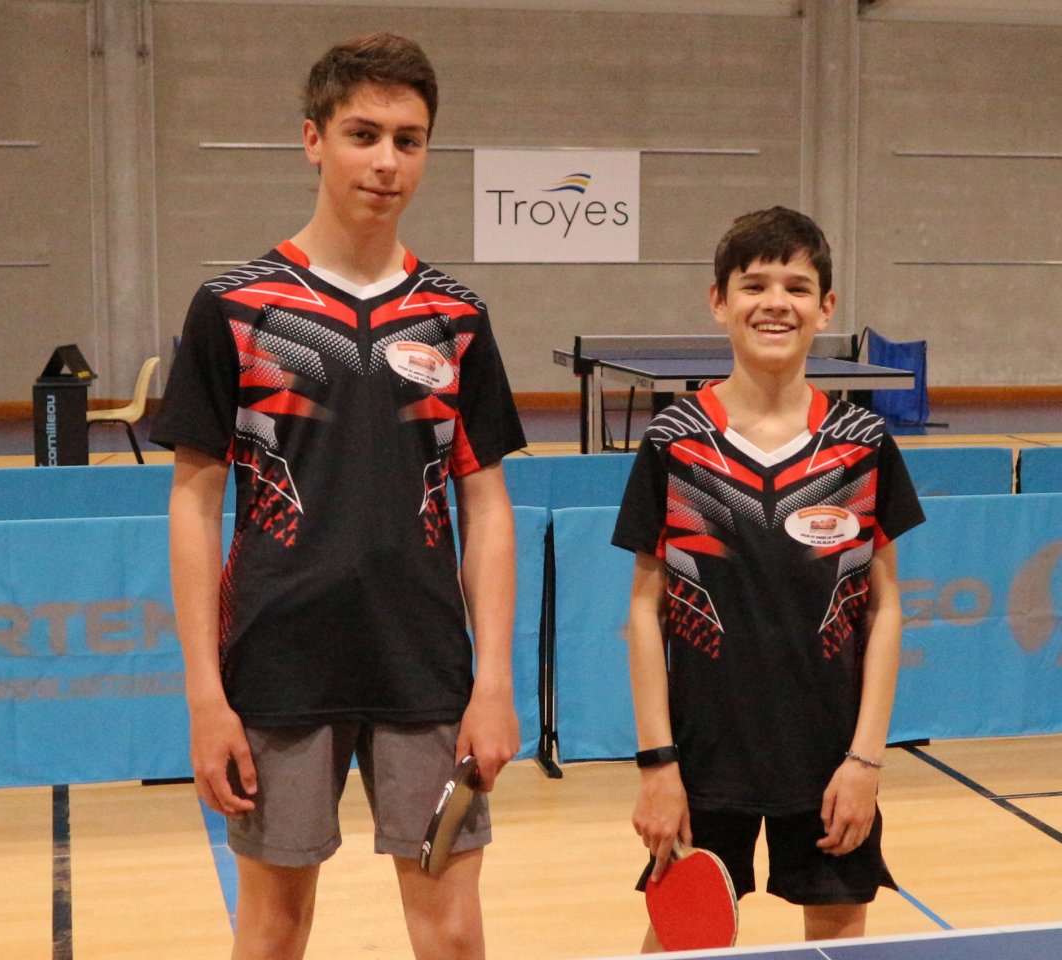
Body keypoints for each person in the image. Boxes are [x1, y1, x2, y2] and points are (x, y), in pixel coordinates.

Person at [151, 33, 525, 960]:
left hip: (426, 671)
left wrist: (493, 683)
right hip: (277, 668)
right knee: (274, 933)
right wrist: (205, 697)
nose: (387, 161)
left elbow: (487, 509)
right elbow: (194, 506)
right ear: (313, 139)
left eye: (409, 139)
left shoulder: (456, 319)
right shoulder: (234, 308)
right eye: (364, 134)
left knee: (453, 936)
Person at [611, 206, 925, 949]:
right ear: (719, 302)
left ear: (826, 307)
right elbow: (645, 611)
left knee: (838, 939)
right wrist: (657, 765)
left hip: (828, 758)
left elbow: (884, 611)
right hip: (702, 761)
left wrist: (865, 761)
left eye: (797, 286)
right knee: (682, 937)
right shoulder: (674, 442)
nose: (775, 302)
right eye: (754, 285)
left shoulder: (863, 444)